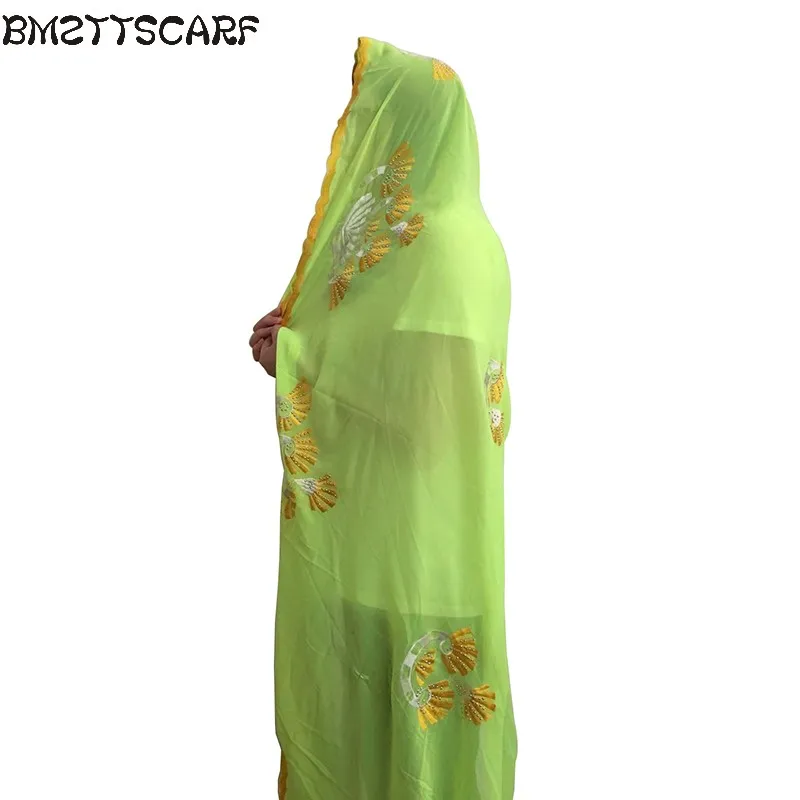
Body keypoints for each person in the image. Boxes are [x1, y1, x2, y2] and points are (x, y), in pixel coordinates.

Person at [250, 37, 516, 800]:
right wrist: (309, 343)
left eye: (378, 118)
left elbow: (430, 415)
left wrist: (296, 364)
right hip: (426, 555)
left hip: (402, 568)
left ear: (414, 126)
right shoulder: (472, 241)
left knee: (393, 761)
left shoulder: (437, 249)